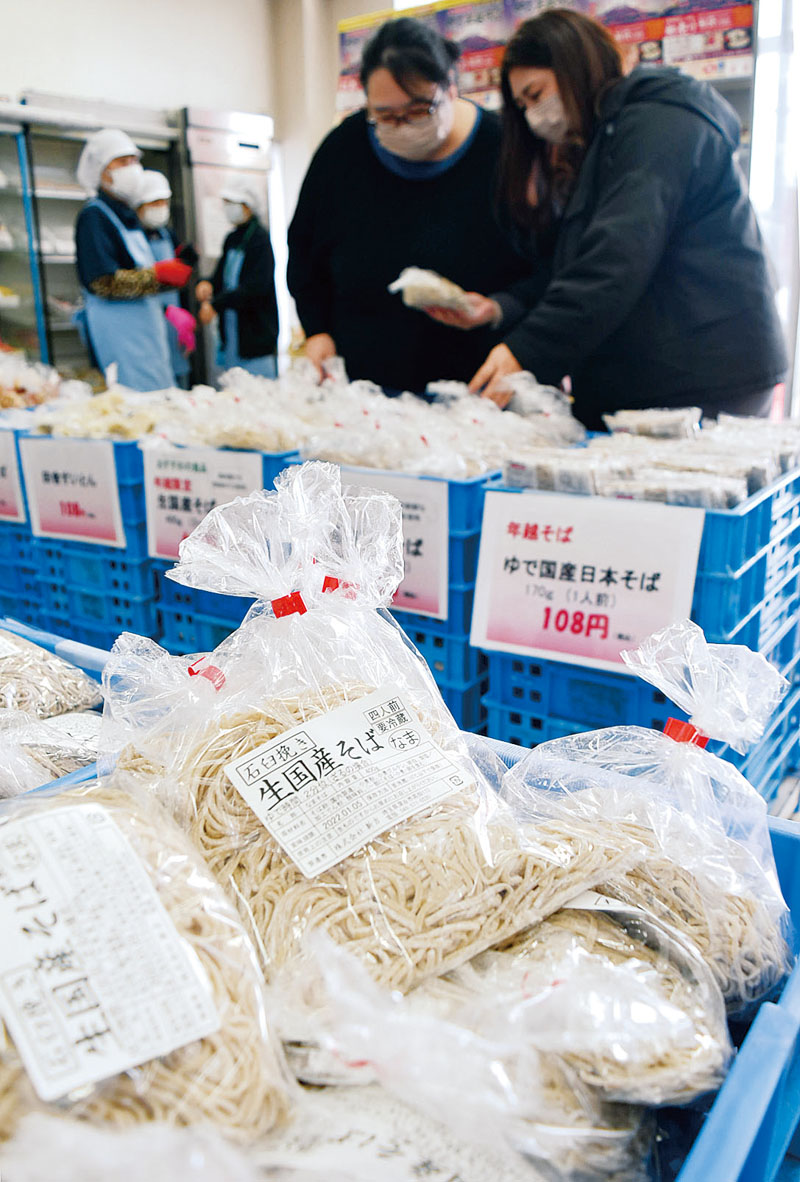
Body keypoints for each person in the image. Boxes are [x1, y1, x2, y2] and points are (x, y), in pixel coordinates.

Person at [425, 10, 788, 428]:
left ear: (574, 66)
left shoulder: (657, 122)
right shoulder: (606, 138)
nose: (532, 116)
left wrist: (526, 349)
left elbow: (616, 256)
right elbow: (577, 261)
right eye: (522, 105)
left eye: (536, 94)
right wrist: (499, 308)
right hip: (661, 369)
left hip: (705, 371)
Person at [286, 17, 530, 394]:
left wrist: (500, 306)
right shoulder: (343, 150)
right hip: (364, 391)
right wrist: (317, 330)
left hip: (478, 391)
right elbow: (304, 250)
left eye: (419, 110)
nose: (401, 125)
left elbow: (547, 264)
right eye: (384, 115)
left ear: (451, 87)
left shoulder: (504, 150)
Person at [74, 128, 194, 390]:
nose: (132, 168)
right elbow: (102, 281)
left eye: (134, 160)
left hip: (146, 331)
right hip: (121, 335)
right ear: (102, 171)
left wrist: (168, 278)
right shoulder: (95, 217)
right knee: (133, 401)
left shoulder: (124, 214)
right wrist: (158, 276)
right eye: (122, 162)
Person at [195, 176, 279, 378]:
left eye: (232, 203)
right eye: (226, 203)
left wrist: (216, 305)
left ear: (247, 206)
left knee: (259, 390)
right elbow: (220, 278)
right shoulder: (232, 239)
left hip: (255, 338)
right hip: (232, 336)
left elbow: (255, 288)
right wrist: (206, 283)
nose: (227, 208)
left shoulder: (260, 239)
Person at [135, 169, 198, 387]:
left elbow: (179, 275)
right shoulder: (133, 238)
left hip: (174, 322)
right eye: (155, 202)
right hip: (146, 320)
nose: (161, 207)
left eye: (164, 202)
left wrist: (187, 260)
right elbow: (129, 282)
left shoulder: (166, 233)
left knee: (179, 380)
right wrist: (165, 311)